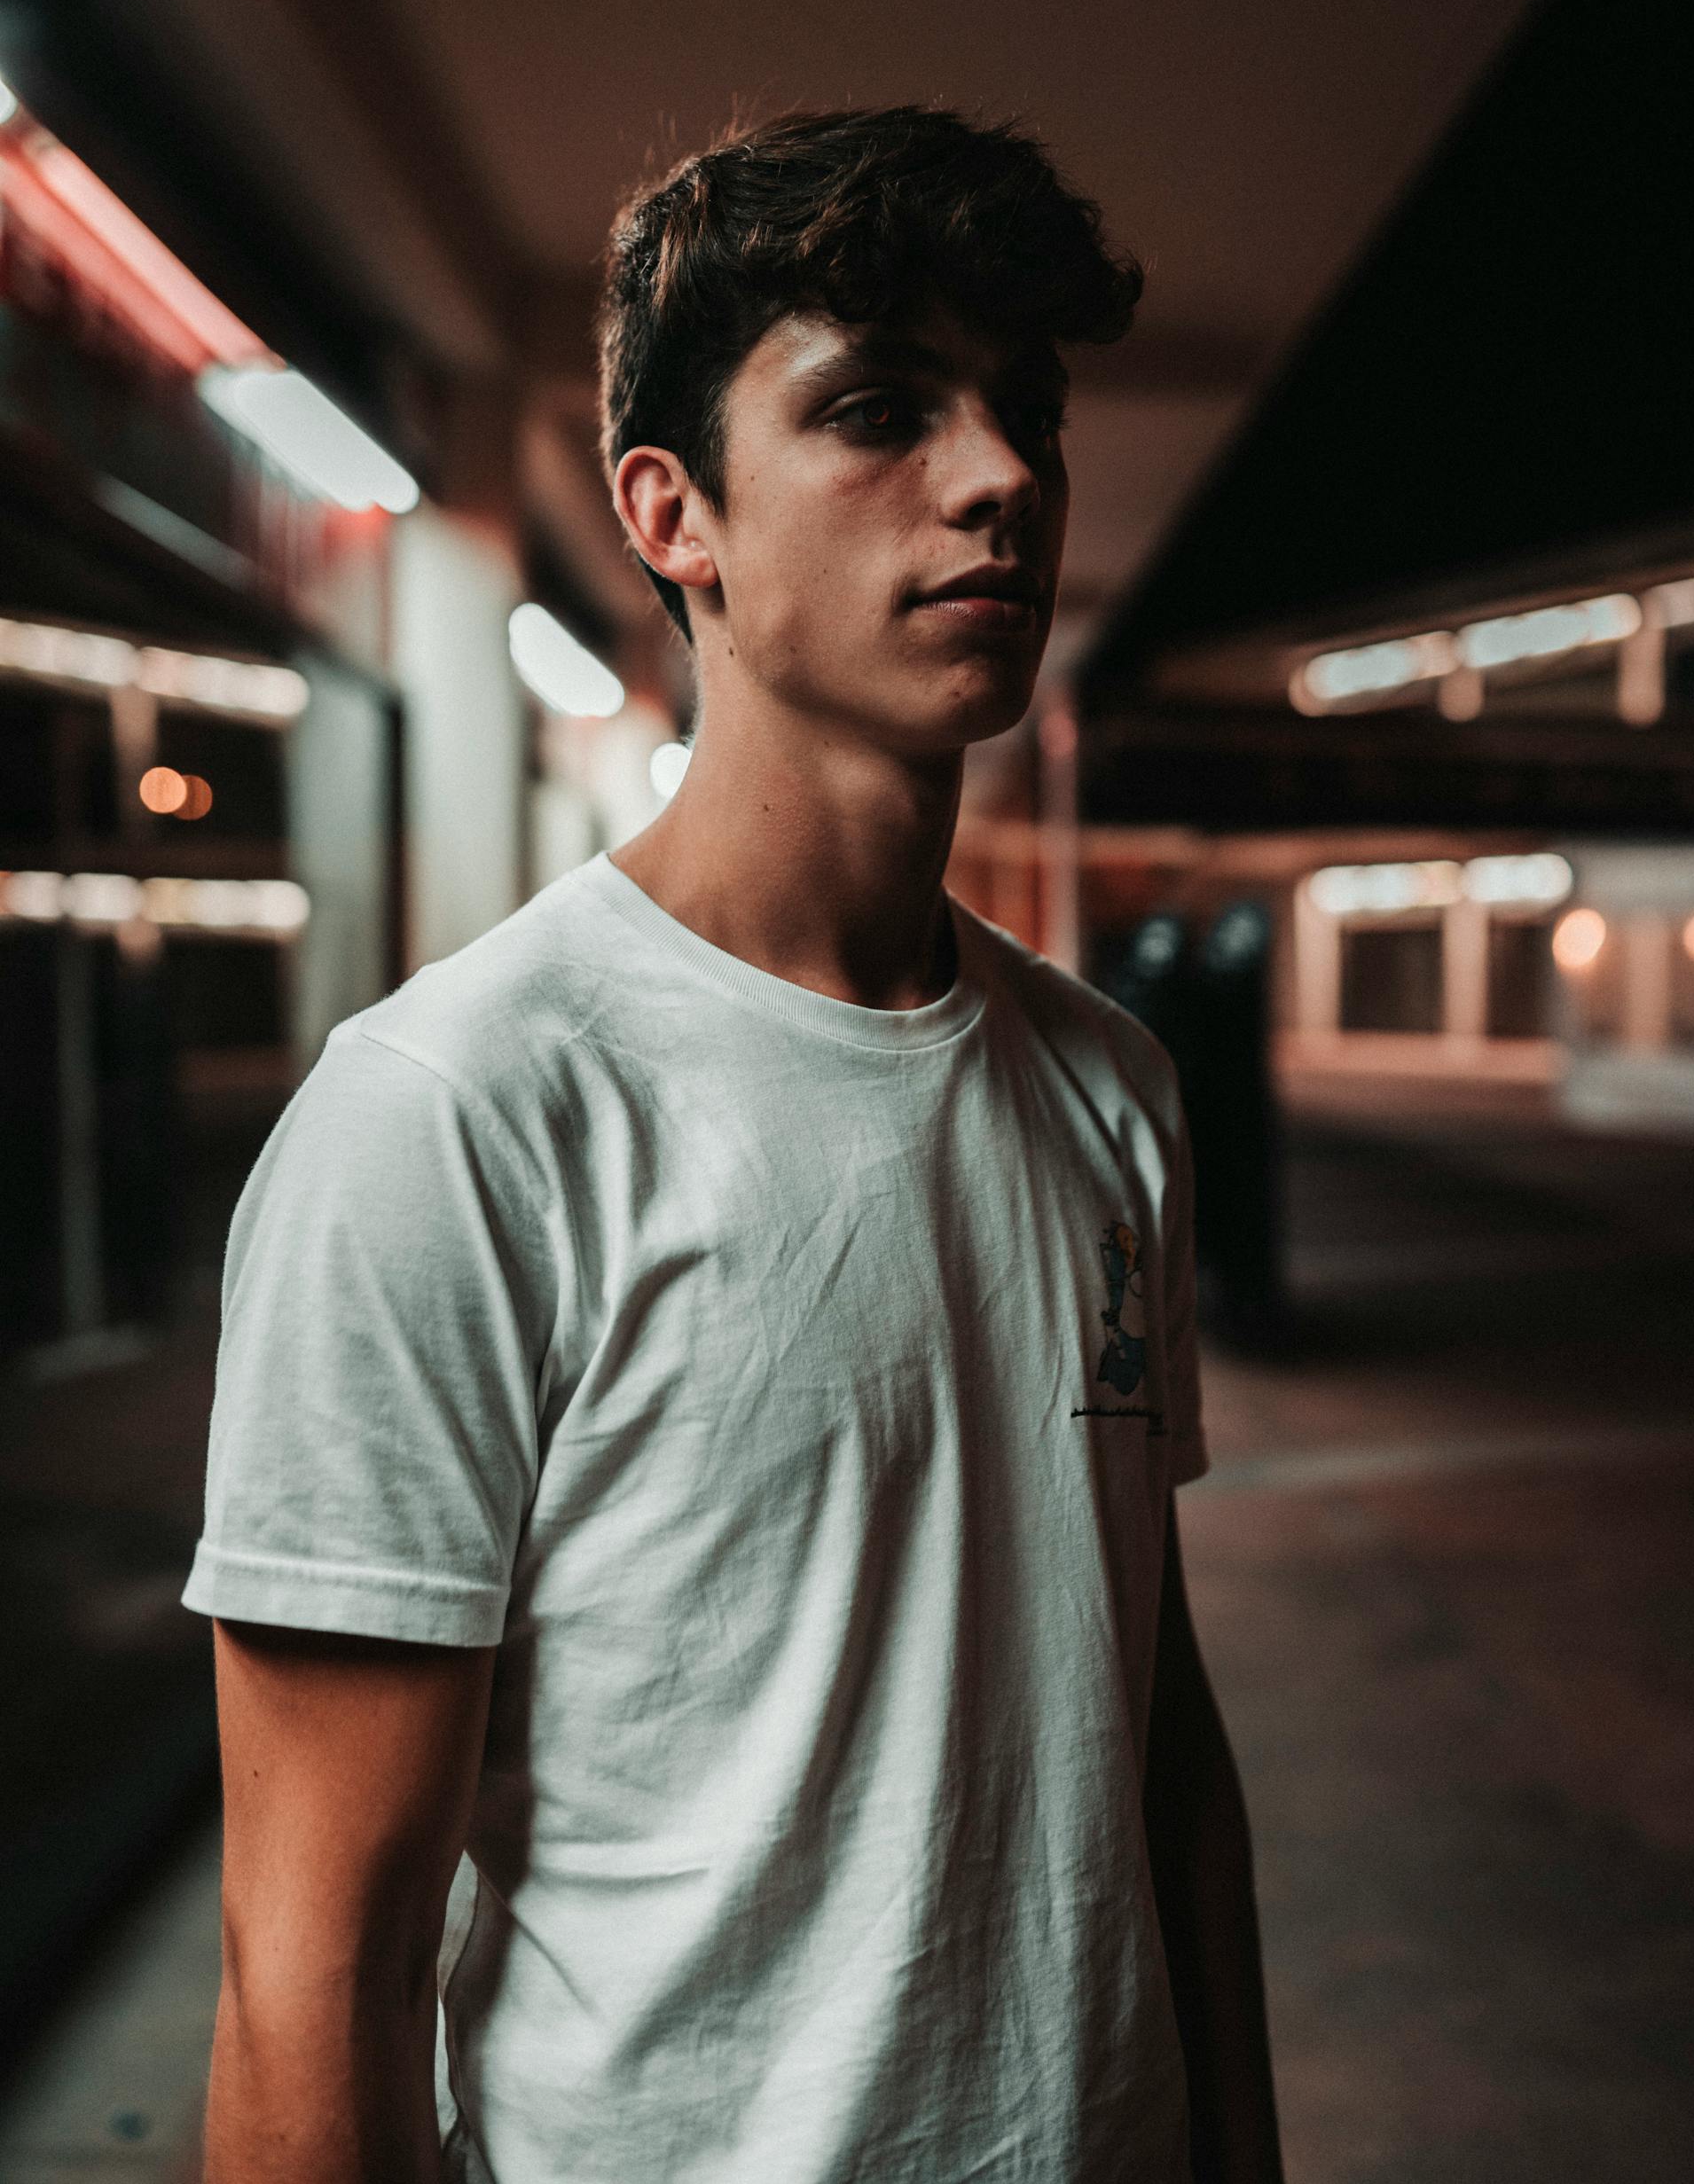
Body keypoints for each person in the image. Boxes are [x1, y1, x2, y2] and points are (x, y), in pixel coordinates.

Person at [186, 106, 1285, 2184]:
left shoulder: (1112, 1087)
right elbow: (310, 1973)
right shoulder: (456, 1118)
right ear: (670, 512)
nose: (999, 483)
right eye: (877, 407)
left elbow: (1151, 1728)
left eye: (1023, 411)